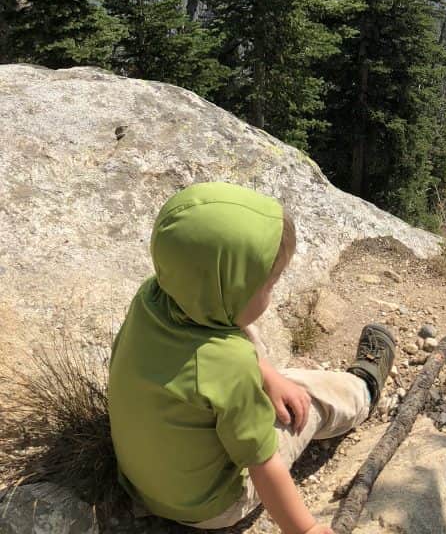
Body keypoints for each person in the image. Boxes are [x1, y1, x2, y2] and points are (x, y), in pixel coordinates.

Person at [108, 181, 396, 532]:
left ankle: (278, 377)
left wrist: (267, 375)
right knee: (307, 397)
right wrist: (305, 529)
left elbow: (215, 352)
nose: (271, 295)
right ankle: (363, 387)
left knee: (241, 332)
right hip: (212, 507)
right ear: (232, 285)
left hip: (145, 485)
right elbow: (264, 465)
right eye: (268, 285)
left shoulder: (154, 296)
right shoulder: (230, 366)